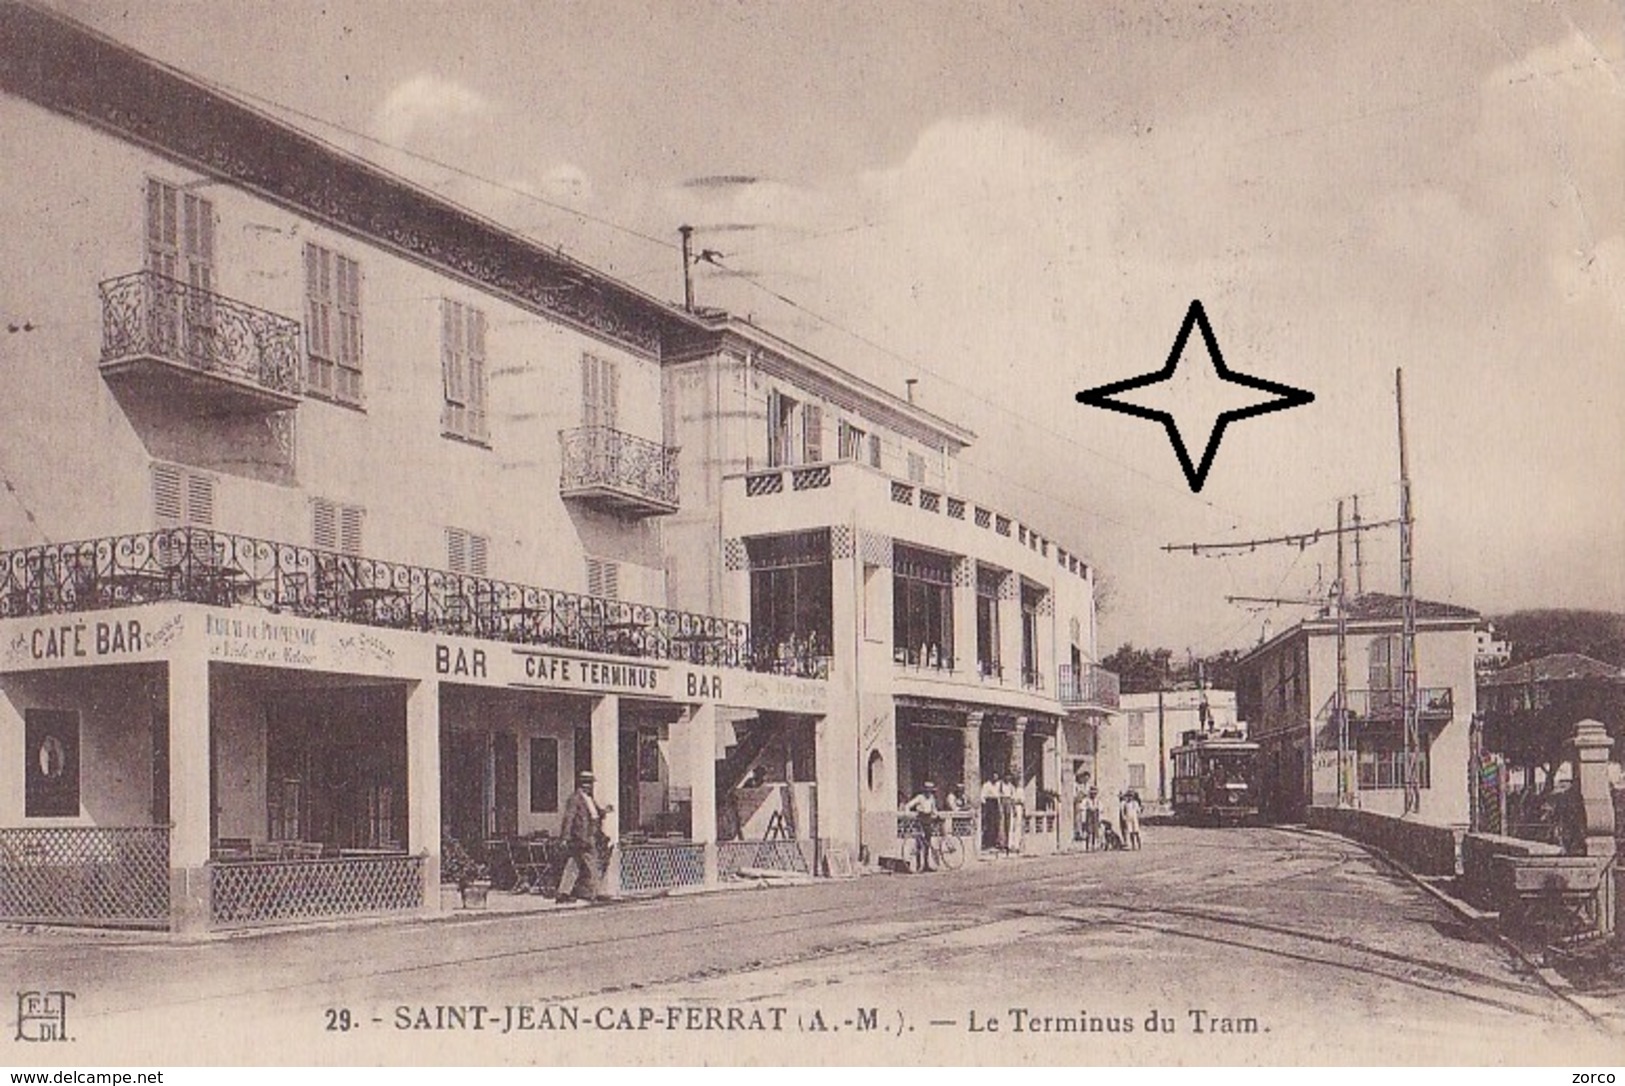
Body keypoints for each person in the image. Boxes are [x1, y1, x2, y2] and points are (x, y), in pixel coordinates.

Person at [558, 770, 614, 904]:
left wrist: (605, 811)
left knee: (574, 864)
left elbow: (595, 814)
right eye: (588, 783)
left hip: (592, 834)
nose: (590, 786)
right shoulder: (575, 799)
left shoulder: (590, 799)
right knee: (593, 864)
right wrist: (565, 837)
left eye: (590, 783)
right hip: (582, 837)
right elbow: (569, 819)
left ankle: (563, 893)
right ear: (583, 784)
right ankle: (596, 893)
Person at [903, 781, 942, 871]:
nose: (929, 793)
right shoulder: (920, 797)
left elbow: (933, 809)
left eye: (930, 791)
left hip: (928, 819)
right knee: (919, 844)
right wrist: (907, 814)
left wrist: (936, 815)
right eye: (927, 791)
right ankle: (918, 865)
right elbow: (908, 805)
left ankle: (926, 865)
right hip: (921, 819)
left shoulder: (931, 798)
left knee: (927, 843)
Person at [980, 774, 1002, 850]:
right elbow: (982, 796)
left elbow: (998, 796)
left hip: (995, 803)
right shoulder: (986, 785)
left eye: (997, 777)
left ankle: (995, 842)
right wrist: (986, 806)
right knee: (990, 824)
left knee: (996, 823)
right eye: (994, 777)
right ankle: (988, 844)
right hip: (989, 803)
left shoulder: (998, 785)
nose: (995, 779)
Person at [1082, 787, 1102, 852]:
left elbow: (1100, 809)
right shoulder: (1087, 800)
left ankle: (1093, 846)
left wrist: (1099, 818)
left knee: (1094, 832)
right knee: (1088, 831)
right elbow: (1082, 807)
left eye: (1094, 794)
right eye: (1092, 793)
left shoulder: (1098, 800)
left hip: (1095, 815)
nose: (1093, 795)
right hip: (1089, 816)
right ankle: (1087, 847)